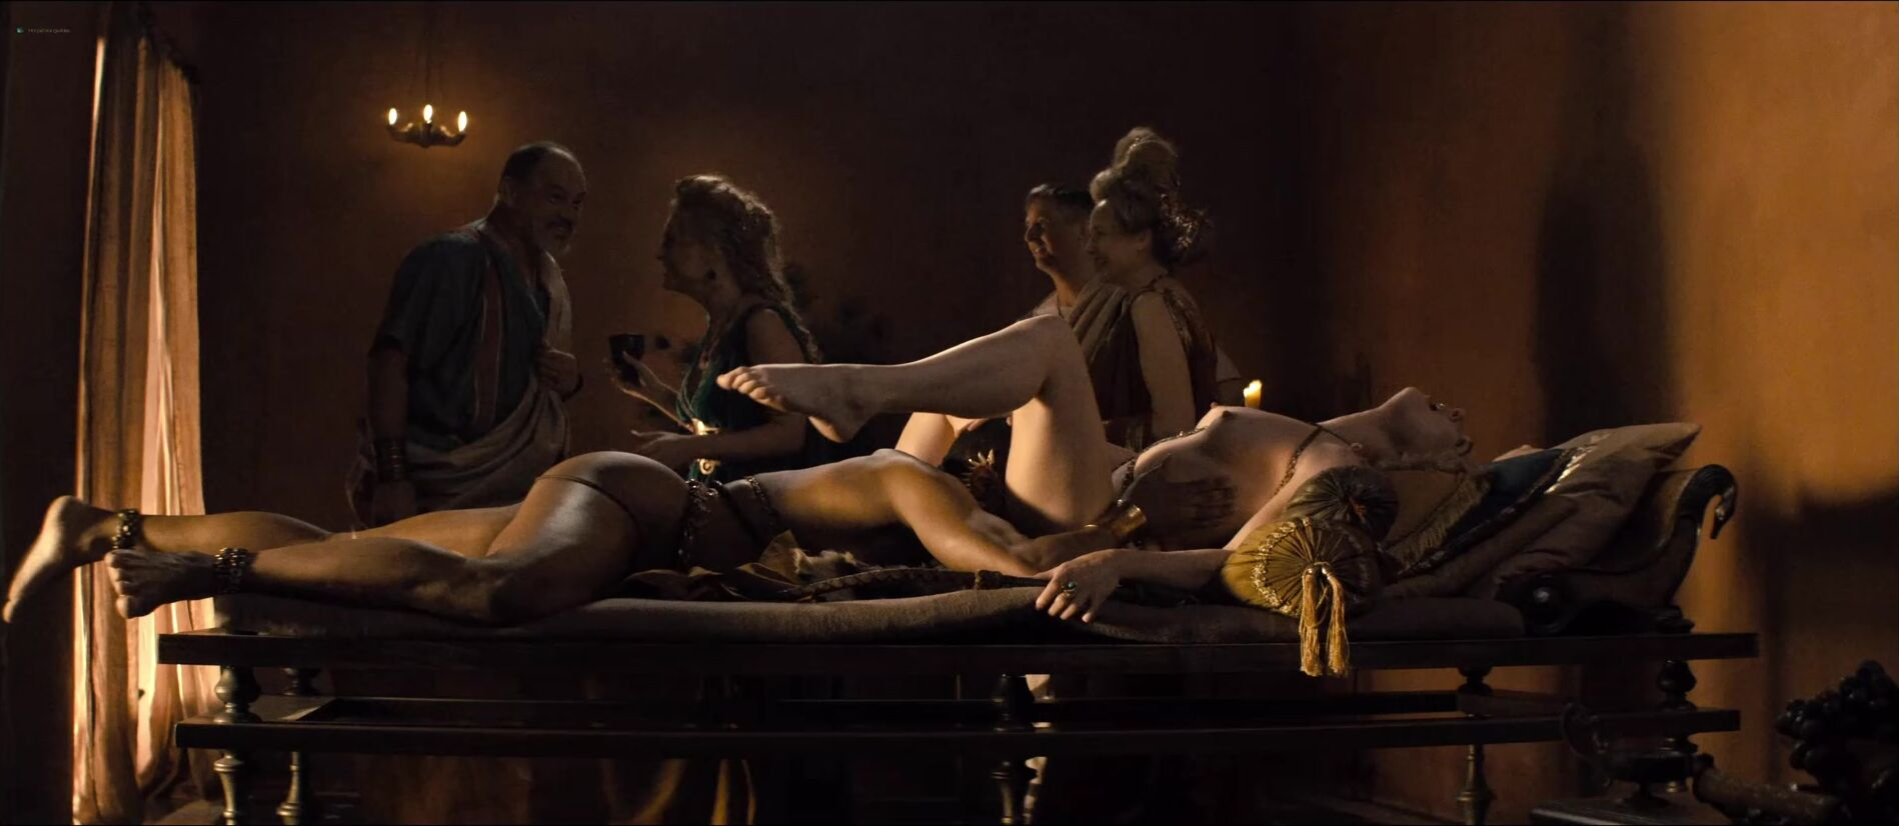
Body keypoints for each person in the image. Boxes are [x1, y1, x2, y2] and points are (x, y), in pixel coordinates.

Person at [3, 313, 1470, 628]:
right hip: (648, 505)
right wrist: (1079, 557)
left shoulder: (923, 478)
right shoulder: (920, 493)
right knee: (490, 590)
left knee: (432, 554)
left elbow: (1032, 534)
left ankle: (113, 521)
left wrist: (1121, 551)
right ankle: (196, 566)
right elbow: (1008, 556)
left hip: (647, 497)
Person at [348, 142, 587, 528]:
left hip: (514, 494)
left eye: (577, 203)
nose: (568, 215)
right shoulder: (452, 258)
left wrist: (570, 380)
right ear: (510, 192)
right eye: (555, 198)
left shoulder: (549, 281)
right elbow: (389, 363)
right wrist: (393, 477)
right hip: (433, 486)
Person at [609, 176, 828, 484]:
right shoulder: (722, 325)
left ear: (712, 251)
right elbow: (720, 427)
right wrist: (653, 391)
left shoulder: (763, 324)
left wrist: (690, 447)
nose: (660, 253)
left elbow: (790, 433)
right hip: (720, 501)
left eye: (672, 240)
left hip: (758, 508)